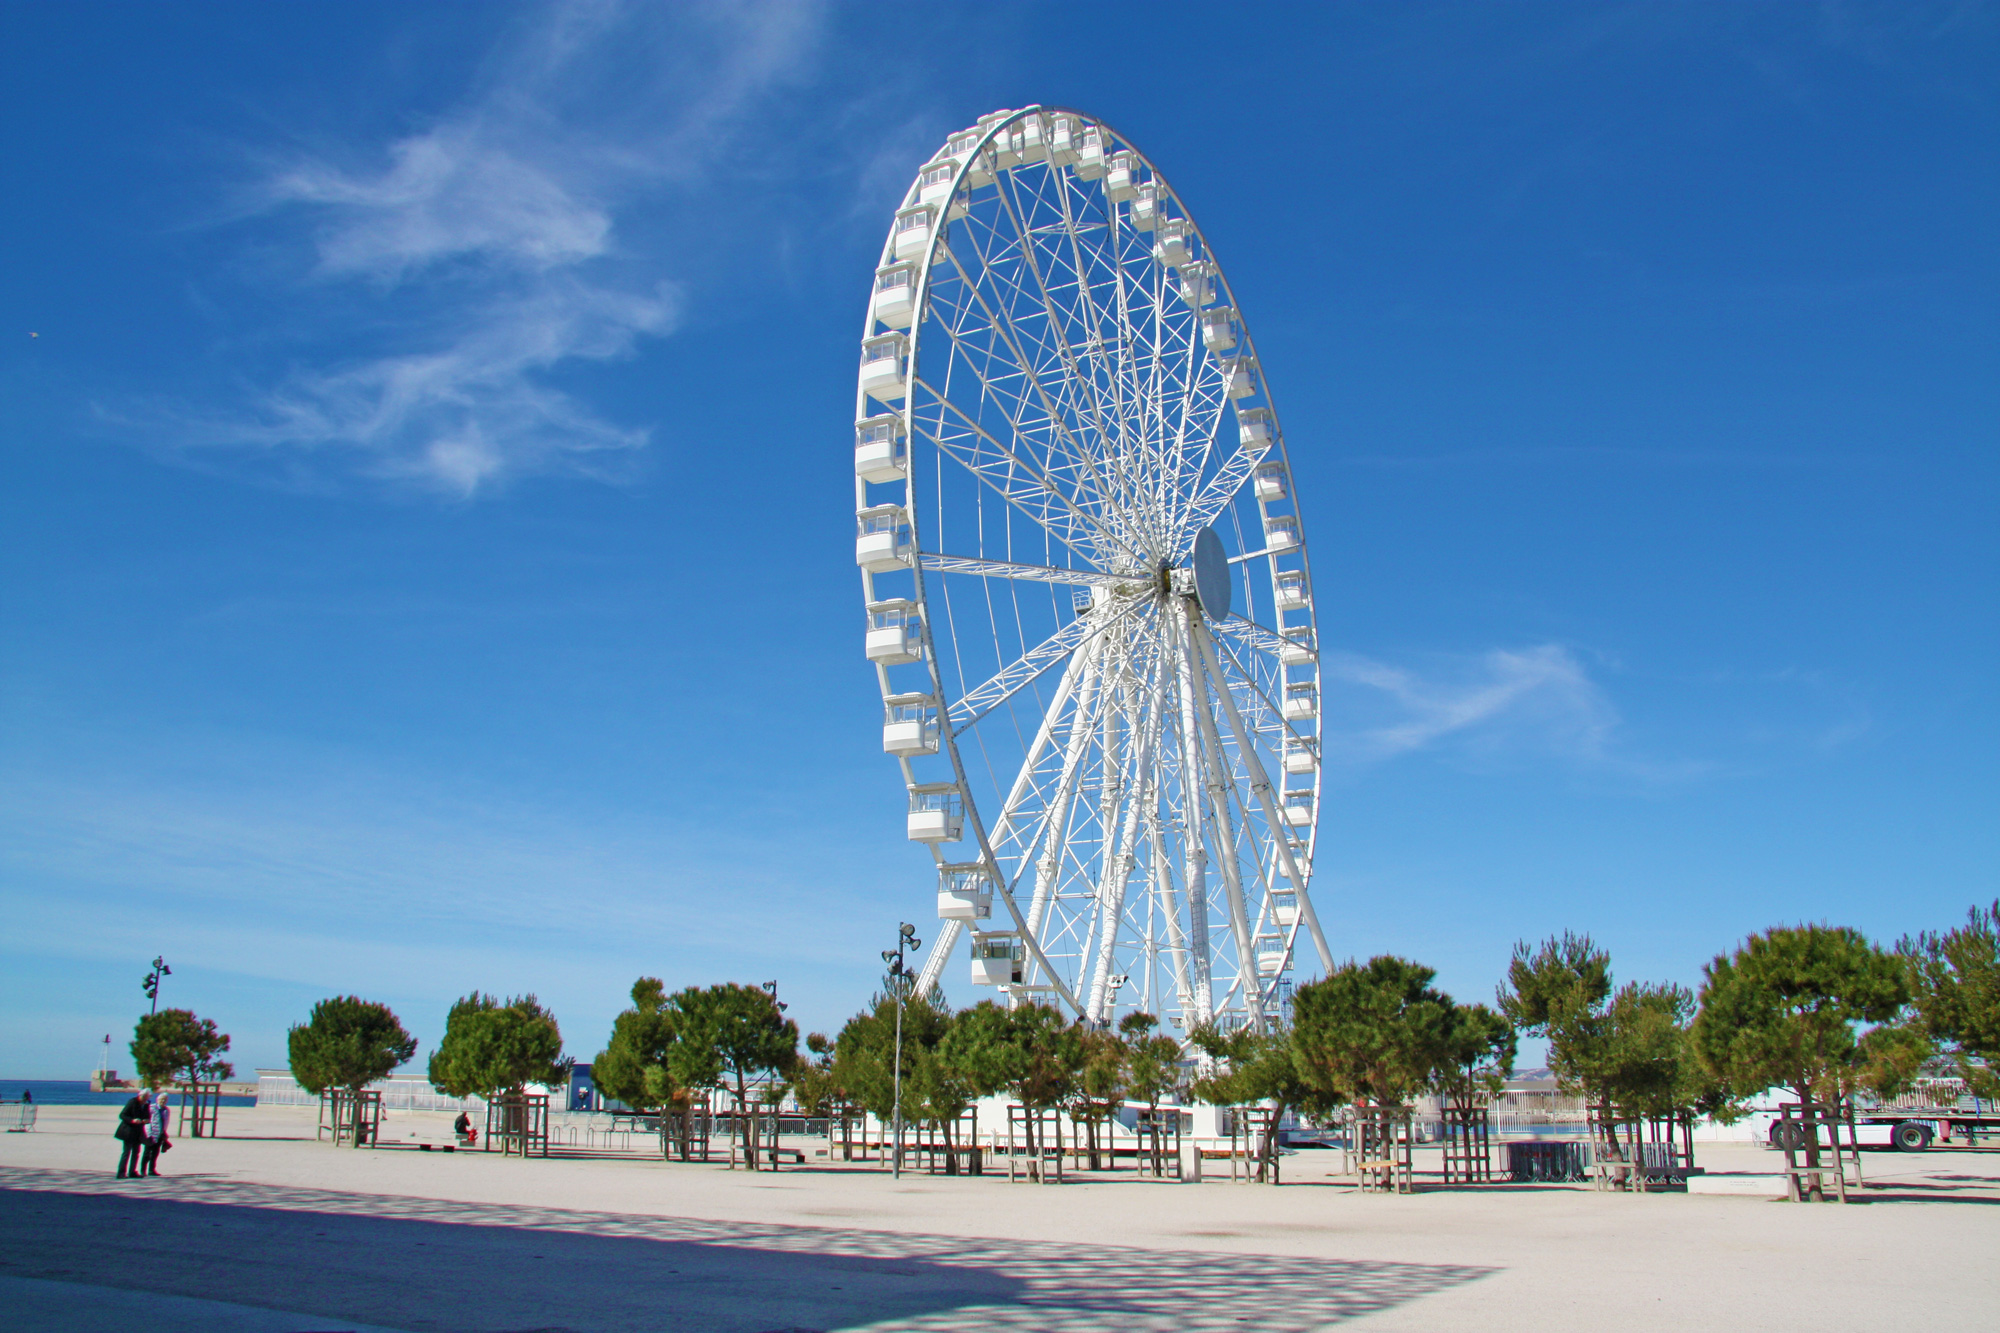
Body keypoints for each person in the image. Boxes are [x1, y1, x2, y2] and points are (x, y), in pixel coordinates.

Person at [115, 1089, 151, 1178]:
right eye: (143, 1098)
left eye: (146, 1098)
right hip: (128, 1131)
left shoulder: (146, 1104)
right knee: (126, 1152)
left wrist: (146, 1120)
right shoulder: (132, 1102)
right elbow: (122, 1115)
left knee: (136, 1152)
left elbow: (147, 1116)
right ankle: (121, 1173)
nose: (144, 1100)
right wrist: (132, 1120)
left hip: (138, 1132)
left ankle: (132, 1172)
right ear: (139, 1096)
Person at [141, 1090, 172, 1176]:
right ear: (157, 1100)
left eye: (165, 1100)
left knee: (155, 1153)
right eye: (161, 1099)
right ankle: (142, 1170)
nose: (163, 1101)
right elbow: (147, 1121)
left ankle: (151, 1170)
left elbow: (166, 1122)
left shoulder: (166, 1110)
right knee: (147, 1153)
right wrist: (148, 1132)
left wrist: (164, 1132)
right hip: (150, 1133)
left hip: (160, 1134)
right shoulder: (152, 1108)